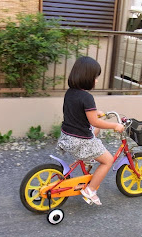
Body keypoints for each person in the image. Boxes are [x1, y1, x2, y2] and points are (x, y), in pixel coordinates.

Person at [57, 56, 124, 206]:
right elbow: (93, 121)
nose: (96, 81)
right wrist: (115, 126)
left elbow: (79, 113)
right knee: (108, 161)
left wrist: (95, 112)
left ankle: (87, 158)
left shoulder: (70, 92)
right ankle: (90, 190)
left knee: (97, 128)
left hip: (67, 136)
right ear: (87, 77)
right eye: (95, 77)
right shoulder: (87, 97)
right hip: (80, 141)